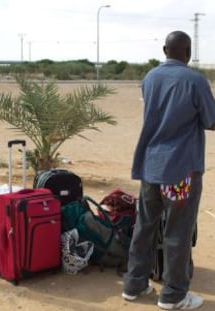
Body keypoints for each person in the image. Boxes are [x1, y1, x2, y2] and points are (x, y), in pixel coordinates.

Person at [122, 30, 215, 310]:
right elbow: (211, 121)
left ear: (164, 50)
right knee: (178, 232)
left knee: (144, 226)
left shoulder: (150, 78)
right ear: (187, 53)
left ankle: (134, 285)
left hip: (151, 166)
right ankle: (173, 295)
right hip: (180, 171)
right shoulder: (195, 80)